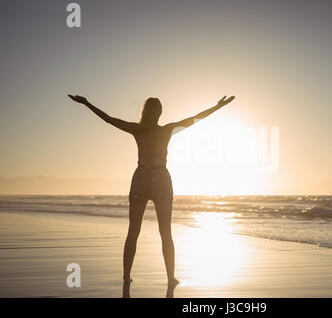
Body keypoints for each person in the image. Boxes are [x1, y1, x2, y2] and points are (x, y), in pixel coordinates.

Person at [68, 94, 235, 297]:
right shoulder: (166, 130)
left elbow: (109, 119)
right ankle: (169, 277)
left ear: (145, 112)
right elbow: (195, 119)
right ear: (159, 113)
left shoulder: (139, 130)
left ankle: (127, 276)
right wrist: (218, 106)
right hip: (160, 180)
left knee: (134, 231)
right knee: (164, 232)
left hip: (141, 179)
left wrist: (87, 103)